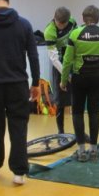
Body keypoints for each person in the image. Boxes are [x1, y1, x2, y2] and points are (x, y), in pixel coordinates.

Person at [0, 0, 40, 186]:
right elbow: (33, 55)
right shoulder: (24, 24)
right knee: (18, 126)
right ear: (8, 0)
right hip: (17, 83)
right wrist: (36, 82)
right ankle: (19, 173)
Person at [60, 5, 99, 162]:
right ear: (98, 18)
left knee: (77, 112)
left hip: (79, 78)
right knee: (94, 112)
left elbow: (67, 60)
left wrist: (63, 80)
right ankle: (94, 150)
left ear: (83, 18)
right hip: (98, 76)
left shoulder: (75, 34)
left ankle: (81, 151)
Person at [43, 7, 78, 135]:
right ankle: (61, 132)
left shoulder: (73, 22)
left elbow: (76, 40)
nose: (62, 27)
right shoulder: (49, 31)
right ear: (55, 19)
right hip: (59, 64)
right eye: (59, 24)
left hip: (73, 62)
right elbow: (53, 58)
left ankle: (78, 132)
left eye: (64, 24)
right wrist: (66, 74)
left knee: (77, 99)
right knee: (60, 102)